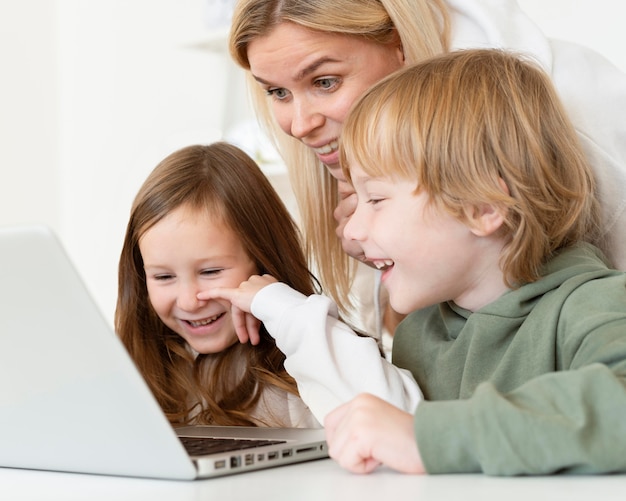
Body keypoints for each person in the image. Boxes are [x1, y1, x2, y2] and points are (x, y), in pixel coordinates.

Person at [228, 0, 626, 340]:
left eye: (326, 82)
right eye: (277, 92)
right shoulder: (367, 152)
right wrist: (395, 256)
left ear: (399, 45)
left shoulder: (564, 116)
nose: (298, 126)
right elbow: (411, 354)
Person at [323, 48, 626, 476]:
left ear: (482, 207)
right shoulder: (419, 335)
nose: (351, 231)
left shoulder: (592, 306)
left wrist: (429, 438)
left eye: (375, 199)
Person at [115, 142, 420, 428]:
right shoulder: (149, 372)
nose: (189, 301)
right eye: (163, 277)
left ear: (263, 259)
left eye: (210, 271)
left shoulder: (303, 362)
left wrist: (280, 307)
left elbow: (398, 420)